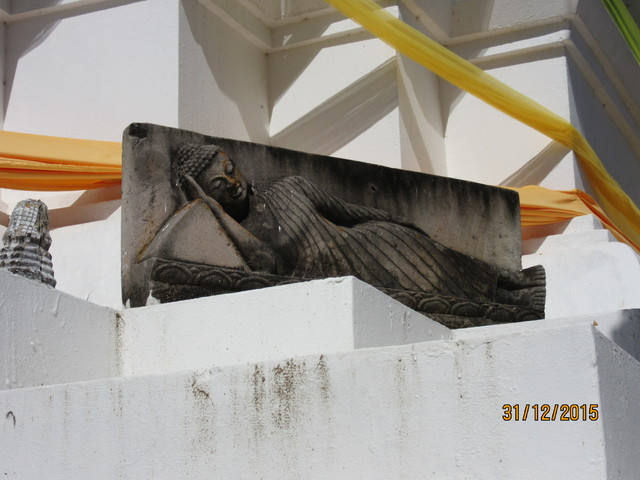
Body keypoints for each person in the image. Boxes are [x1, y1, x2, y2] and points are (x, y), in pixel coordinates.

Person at [172, 143, 544, 308]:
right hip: (347, 280)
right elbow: (266, 265)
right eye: (218, 186)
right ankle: (510, 299)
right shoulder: (246, 235)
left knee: (443, 262)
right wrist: (211, 211)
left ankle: (516, 285)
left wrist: (397, 222)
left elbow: (349, 212)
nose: (232, 184)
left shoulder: (291, 187)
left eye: (231, 170)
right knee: (437, 289)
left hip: (375, 244)